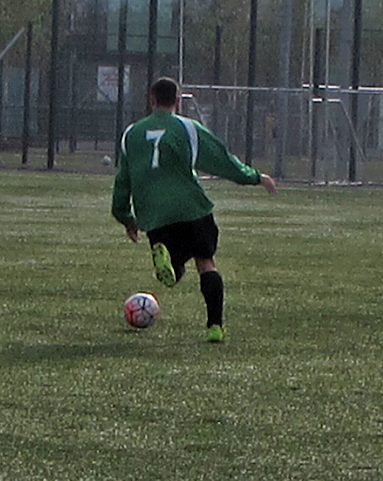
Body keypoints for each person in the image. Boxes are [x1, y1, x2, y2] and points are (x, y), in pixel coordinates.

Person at [111, 76, 275, 343]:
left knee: (173, 269)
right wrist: (254, 177)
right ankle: (215, 326)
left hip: (154, 214)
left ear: (152, 100)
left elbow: (123, 181)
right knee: (206, 262)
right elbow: (221, 160)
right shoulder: (187, 128)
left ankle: (172, 263)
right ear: (177, 100)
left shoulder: (131, 134)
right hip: (191, 207)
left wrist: (126, 217)